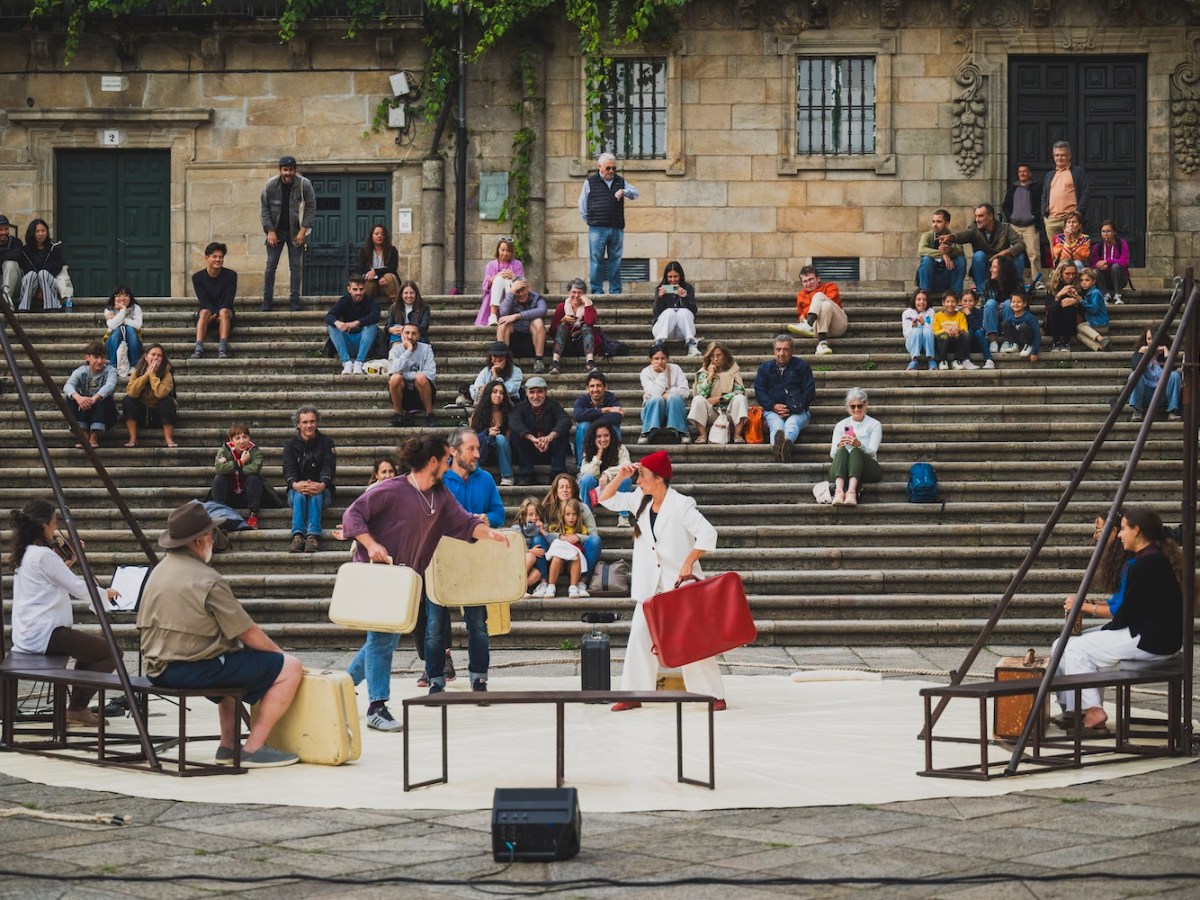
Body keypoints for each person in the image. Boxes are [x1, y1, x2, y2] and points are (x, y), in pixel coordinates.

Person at [343, 434, 510, 717]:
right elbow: (352, 516)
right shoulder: (391, 489)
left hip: (408, 580)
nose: (449, 465)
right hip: (380, 574)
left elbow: (465, 523)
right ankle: (377, 707)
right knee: (382, 640)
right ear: (432, 461)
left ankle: (342, 685)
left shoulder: (441, 496)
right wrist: (371, 544)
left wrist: (490, 534)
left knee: (384, 638)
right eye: (446, 459)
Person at [138, 501, 303, 767]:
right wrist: (280, 656)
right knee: (290, 667)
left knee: (231, 659)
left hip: (157, 668)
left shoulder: (159, 570)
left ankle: (227, 746)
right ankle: (253, 748)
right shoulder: (207, 578)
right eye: (213, 535)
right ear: (201, 540)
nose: (215, 540)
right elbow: (246, 631)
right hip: (189, 667)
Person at [599, 451, 725, 711]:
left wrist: (689, 561)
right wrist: (621, 474)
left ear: (659, 478)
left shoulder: (681, 504)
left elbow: (707, 534)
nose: (638, 481)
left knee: (691, 640)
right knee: (639, 636)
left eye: (642, 475)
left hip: (680, 583)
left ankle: (713, 695)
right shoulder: (639, 500)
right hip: (650, 584)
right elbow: (605, 499)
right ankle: (633, 694)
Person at [1052, 507, 1181, 735]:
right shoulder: (1152, 558)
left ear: (1137, 530)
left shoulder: (1144, 563)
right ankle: (1079, 711)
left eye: (1123, 529)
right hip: (1155, 636)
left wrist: (1089, 609)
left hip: (1149, 639)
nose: (1120, 535)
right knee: (1072, 646)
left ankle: (1092, 712)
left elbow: (1123, 614)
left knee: (1073, 647)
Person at [9, 499, 120, 728]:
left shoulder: (28, 553)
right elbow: (79, 588)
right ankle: (78, 708)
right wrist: (106, 593)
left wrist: (69, 562)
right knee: (112, 652)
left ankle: (78, 707)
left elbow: (51, 580)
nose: (54, 527)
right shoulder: (44, 555)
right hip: (46, 634)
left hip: (32, 633)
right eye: (54, 522)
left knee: (92, 650)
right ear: (43, 525)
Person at [437, 428, 507, 691]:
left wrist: (487, 519)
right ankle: (435, 675)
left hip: (474, 562)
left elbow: (499, 512)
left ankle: (479, 676)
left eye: (478, 448)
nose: (478, 454)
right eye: (472, 449)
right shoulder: (440, 479)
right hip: (443, 559)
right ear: (454, 451)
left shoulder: (486, 479)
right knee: (435, 623)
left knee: (477, 623)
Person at [259, 155, 315, 311]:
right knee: (270, 266)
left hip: (296, 231)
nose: (288, 173)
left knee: (296, 267)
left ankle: (294, 301)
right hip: (275, 231)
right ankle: (267, 300)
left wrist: (303, 231)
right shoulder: (270, 185)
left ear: (295, 170)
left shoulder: (304, 185)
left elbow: (311, 208)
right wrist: (270, 231)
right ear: (280, 170)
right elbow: (264, 209)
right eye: (285, 170)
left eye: (290, 170)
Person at [579, 152, 638, 295]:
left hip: (616, 228)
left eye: (613, 168)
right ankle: (597, 291)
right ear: (599, 167)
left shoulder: (620, 181)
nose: (611, 171)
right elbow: (582, 206)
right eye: (608, 168)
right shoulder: (590, 182)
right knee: (596, 261)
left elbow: (635, 193)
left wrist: (624, 191)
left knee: (615, 261)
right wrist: (591, 221)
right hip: (597, 229)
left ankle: (615, 291)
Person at [282, 404, 336, 553]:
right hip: (296, 492)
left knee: (315, 493)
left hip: (322, 492)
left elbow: (329, 467)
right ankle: (298, 536)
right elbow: (288, 469)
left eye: (312, 421)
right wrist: (295, 484)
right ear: (298, 425)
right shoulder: (290, 445)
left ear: (317, 422)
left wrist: (322, 484)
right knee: (299, 495)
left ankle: (312, 535)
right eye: (305, 422)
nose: (309, 425)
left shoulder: (327, 443)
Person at [754, 334, 814, 463]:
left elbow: (809, 392)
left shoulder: (802, 366)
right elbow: (760, 391)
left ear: (792, 351)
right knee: (777, 427)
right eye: (778, 349)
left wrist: (792, 408)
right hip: (772, 411)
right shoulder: (765, 368)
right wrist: (773, 406)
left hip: (799, 411)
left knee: (792, 425)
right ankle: (783, 449)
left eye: (785, 349)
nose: (781, 353)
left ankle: (780, 448)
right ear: (774, 351)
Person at [942, 203, 1028, 293]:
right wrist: (951, 237)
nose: (977, 219)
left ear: (990, 217)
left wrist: (1006, 252)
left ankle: (1017, 290)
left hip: (1003, 267)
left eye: (981, 216)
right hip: (984, 269)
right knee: (979, 255)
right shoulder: (974, 228)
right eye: (976, 216)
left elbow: (1021, 244)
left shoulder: (1005, 228)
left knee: (1019, 255)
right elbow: (964, 235)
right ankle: (981, 292)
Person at [537, 472, 603, 584]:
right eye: (561, 487)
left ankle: (583, 580)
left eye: (568, 487)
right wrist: (560, 536)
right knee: (537, 540)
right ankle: (543, 581)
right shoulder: (548, 508)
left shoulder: (583, 508)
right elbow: (545, 531)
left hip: (578, 555)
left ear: (573, 490)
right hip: (555, 555)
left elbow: (593, 534)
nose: (565, 490)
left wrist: (578, 537)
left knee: (596, 541)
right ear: (556, 490)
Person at [510, 375, 570, 485]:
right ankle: (527, 474)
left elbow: (565, 420)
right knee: (516, 435)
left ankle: (557, 472)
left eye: (539, 392)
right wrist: (532, 439)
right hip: (529, 451)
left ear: (545, 392)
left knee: (561, 432)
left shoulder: (553, 405)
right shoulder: (520, 407)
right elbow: (514, 422)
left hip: (549, 450)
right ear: (527, 393)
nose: (535, 396)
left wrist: (549, 437)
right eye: (532, 392)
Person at [828, 388, 882, 506]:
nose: (856, 409)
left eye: (859, 406)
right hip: (842, 468)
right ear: (848, 407)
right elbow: (832, 454)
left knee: (855, 452)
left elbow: (872, 451)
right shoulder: (841, 425)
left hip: (868, 467)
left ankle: (851, 492)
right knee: (842, 451)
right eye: (853, 406)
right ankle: (839, 492)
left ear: (865, 405)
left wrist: (859, 445)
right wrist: (839, 446)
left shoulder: (874, 424)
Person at [688, 340, 748, 443]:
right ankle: (703, 435)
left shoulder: (733, 371)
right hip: (711, 413)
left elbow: (739, 391)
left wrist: (720, 399)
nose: (715, 359)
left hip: (729, 412)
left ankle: (737, 435)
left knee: (740, 399)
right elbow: (701, 394)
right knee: (698, 400)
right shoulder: (703, 372)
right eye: (712, 356)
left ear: (725, 355)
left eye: (718, 355)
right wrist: (710, 375)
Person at [578, 421, 634, 527]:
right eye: (599, 436)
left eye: (606, 435)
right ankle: (588, 515)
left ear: (611, 436)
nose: (603, 439)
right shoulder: (589, 450)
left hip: (613, 491)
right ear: (593, 438)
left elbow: (627, 466)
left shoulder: (620, 449)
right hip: (595, 492)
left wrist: (607, 474)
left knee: (625, 479)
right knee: (586, 479)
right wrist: (598, 455)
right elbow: (585, 471)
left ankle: (623, 516)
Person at [122, 343, 177, 448]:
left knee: (168, 401)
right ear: (146, 357)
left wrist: (152, 375)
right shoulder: (137, 372)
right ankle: (132, 439)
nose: (155, 358)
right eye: (153, 354)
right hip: (141, 413)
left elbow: (161, 394)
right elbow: (132, 393)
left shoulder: (166, 373)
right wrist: (146, 375)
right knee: (128, 400)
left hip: (158, 413)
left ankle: (169, 439)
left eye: (159, 356)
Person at [65, 341, 119, 448]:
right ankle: (82, 433)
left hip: (105, 414)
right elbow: (68, 386)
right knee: (70, 397)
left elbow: (110, 385)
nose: (100, 361)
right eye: (96, 357)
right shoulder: (80, 371)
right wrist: (79, 398)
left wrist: (93, 399)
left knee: (103, 397)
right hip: (84, 411)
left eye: (102, 358)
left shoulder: (110, 370)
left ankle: (94, 434)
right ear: (87, 357)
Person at [211, 423, 265, 529]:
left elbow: (255, 468)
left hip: (248, 494)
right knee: (219, 478)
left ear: (249, 438)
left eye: (245, 437)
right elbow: (219, 468)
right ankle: (219, 515)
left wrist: (231, 467)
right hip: (230, 494)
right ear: (231, 440)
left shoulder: (255, 451)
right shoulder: (224, 450)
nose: (242, 441)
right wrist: (240, 462)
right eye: (237, 438)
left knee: (253, 478)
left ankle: (253, 515)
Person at [325, 274, 381, 375]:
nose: (358, 293)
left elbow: (375, 316)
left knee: (371, 326)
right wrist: (337, 323)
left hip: (364, 344)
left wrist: (356, 323)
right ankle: (346, 362)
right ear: (349, 289)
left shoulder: (371, 302)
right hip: (347, 344)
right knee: (332, 327)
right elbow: (329, 316)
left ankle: (359, 362)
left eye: (361, 289)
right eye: (355, 289)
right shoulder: (344, 301)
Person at [191, 242, 237, 360]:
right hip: (208, 314)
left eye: (220, 257)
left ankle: (222, 348)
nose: (218, 260)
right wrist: (213, 315)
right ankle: (199, 347)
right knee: (204, 312)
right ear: (207, 258)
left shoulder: (231, 275)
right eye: (215, 257)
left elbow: (229, 300)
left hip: (226, 314)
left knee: (224, 311)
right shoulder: (197, 277)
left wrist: (218, 314)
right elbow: (204, 300)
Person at [387, 322, 437, 427]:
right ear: (402, 335)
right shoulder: (395, 350)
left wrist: (406, 374)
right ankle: (398, 414)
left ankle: (429, 414)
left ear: (418, 336)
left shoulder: (426, 349)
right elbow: (393, 370)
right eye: (407, 333)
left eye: (414, 334)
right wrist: (408, 351)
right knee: (395, 378)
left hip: (422, 390)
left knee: (421, 377)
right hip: (403, 392)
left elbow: (431, 374)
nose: (410, 337)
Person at [1128, 326, 1183, 422]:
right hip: (1146, 393)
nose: (1151, 342)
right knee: (1133, 375)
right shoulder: (1140, 352)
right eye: (1149, 339)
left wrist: (1166, 351)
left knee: (1174, 375)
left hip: (1163, 394)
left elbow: (1172, 368)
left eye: (1154, 338)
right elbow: (1136, 368)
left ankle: (1173, 412)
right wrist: (1141, 354)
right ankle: (1137, 411)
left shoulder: (1165, 353)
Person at [639, 344, 691, 444]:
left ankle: (682, 432)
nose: (659, 362)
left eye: (663, 358)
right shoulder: (645, 372)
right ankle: (647, 431)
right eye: (656, 358)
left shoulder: (675, 369)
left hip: (674, 411)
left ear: (667, 359)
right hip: (652, 412)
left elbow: (685, 392)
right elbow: (654, 393)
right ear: (651, 360)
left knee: (673, 397)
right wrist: (662, 374)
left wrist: (670, 392)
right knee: (657, 399)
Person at [788, 264, 845, 355]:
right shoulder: (801, 295)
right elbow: (801, 316)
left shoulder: (830, 286)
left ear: (818, 279)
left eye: (811, 279)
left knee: (824, 302)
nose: (808, 283)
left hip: (837, 325)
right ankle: (822, 344)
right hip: (817, 329)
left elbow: (832, 301)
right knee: (823, 305)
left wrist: (810, 311)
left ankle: (808, 325)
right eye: (805, 281)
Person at [1002, 164, 1044, 281]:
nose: (1022, 174)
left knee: (1034, 254)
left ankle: (1037, 280)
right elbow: (1005, 205)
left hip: (1030, 227)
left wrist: (1033, 216)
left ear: (1029, 173)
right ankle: (1013, 279)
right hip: (1014, 227)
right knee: (1012, 254)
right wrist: (1010, 217)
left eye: (1025, 171)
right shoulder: (1012, 188)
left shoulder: (1036, 187)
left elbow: (1041, 204)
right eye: (1020, 172)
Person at [496, 278, 548, 372]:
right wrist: (511, 292)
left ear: (528, 288)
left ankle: (539, 360)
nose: (521, 294)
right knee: (503, 324)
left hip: (532, 341)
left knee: (538, 321)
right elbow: (503, 313)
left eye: (523, 290)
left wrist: (517, 316)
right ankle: (502, 359)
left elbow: (542, 310)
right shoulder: (510, 297)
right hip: (513, 342)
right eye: (517, 291)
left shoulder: (536, 298)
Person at [1041, 140, 1090, 241]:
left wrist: (1078, 212)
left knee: (1073, 250)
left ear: (1069, 156)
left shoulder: (1078, 172)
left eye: (1063, 155)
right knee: (1055, 253)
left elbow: (1085, 192)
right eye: (1057, 155)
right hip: (1052, 220)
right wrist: (1044, 216)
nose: (1059, 158)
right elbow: (1045, 196)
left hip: (1070, 219)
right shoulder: (1049, 175)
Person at [572, 369, 624, 463]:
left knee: (614, 427)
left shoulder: (611, 398)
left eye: (599, 385)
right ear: (587, 388)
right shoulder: (582, 400)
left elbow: (617, 417)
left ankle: (614, 462)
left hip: (605, 436)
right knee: (583, 426)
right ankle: (582, 466)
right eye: (592, 386)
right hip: (589, 438)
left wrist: (590, 416)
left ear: (605, 387)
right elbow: (577, 415)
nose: (595, 389)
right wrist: (605, 410)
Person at [549, 278, 598, 375]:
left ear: (584, 294)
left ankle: (590, 362)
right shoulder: (561, 307)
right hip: (566, 345)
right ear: (568, 292)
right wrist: (562, 321)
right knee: (562, 327)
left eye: (579, 293)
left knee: (586, 327)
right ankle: (555, 362)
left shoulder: (589, 307)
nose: (576, 295)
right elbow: (551, 332)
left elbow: (590, 322)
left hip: (583, 344)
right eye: (573, 292)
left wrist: (587, 303)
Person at [470, 379, 515, 486]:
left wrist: (499, 436)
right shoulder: (478, 413)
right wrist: (488, 432)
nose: (498, 395)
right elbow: (472, 437)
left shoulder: (508, 413)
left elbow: (509, 439)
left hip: (502, 452)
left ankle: (507, 476)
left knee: (500, 439)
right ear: (488, 393)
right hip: (483, 450)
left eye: (501, 392)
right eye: (494, 392)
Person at [543, 499, 590, 598]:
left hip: (572, 564)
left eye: (574, 514)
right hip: (558, 564)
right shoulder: (555, 528)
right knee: (557, 557)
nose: (571, 517)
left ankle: (573, 587)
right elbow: (548, 536)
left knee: (576, 556)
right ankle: (551, 586)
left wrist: (578, 537)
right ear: (562, 515)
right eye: (567, 514)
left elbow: (588, 540)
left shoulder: (581, 529)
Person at [16, 218, 65, 311]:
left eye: (43, 231)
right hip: (30, 285)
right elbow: (25, 269)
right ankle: (24, 307)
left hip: (49, 283)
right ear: (32, 233)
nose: (41, 234)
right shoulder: (25, 250)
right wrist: (38, 288)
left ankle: (51, 306)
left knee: (43, 273)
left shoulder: (53, 248)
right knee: (31, 275)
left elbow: (57, 267)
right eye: (37, 231)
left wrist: (42, 287)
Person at [652, 261, 700, 355]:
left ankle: (691, 344)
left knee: (684, 312)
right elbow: (655, 313)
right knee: (670, 312)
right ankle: (659, 344)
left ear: (680, 276)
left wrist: (684, 297)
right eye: (670, 277)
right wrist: (659, 298)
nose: (673, 280)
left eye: (675, 276)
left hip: (682, 330)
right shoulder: (661, 289)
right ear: (666, 277)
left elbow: (693, 312)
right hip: (663, 329)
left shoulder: (687, 288)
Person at [476, 237, 526, 327]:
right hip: (494, 296)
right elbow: (485, 286)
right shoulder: (491, 265)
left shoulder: (517, 264)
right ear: (498, 250)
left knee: (507, 279)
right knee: (499, 279)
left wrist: (514, 277)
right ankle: (493, 315)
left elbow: (523, 285)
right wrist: (496, 276)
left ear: (512, 252)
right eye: (502, 250)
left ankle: (508, 312)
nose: (505, 253)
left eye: (508, 251)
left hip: (512, 296)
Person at [915, 209, 966, 294]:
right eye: (933, 221)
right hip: (930, 279)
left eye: (939, 222)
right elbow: (921, 250)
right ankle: (924, 295)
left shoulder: (953, 236)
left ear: (946, 223)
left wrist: (949, 250)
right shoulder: (927, 236)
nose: (935, 225)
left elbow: (960, 251)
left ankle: (956, 295)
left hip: (947, 276)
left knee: (960, 260)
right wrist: (943, 255)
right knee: (927, 260)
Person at [980, 255, 1022, 354]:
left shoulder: (1017, 285)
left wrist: (1012, 307)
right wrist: (996, 310)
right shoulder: (987, 285)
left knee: (1008, 303)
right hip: (991, 323)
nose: (991, 269)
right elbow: (983, 308)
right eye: (991, 266)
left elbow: (1024, 308)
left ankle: (1007, 340)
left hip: (1012, 323)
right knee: (990, 303)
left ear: (1003, 269)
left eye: (994, 267)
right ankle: (993, 341)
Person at [465, 340, 523, 406]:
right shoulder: (486, 371)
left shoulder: (516, 371)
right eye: (495, 356)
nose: (498, 359)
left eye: (501, 356)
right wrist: (481, 389)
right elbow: (474, 391)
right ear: (491, 357)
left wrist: (495, 374)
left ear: (506, 357)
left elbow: (510, 390)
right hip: (488, 403)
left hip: (508, 404)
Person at [513, 498, 550, 596]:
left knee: (537, 574)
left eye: (537, 514)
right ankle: (514, 584)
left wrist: (543, 531)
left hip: (534, 565)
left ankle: (519, 590)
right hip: (517, 562)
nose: (534, 517)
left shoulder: (543, 527)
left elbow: (553, 543)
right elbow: (513, 547)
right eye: (530, 514)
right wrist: (529, 551)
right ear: (524, 516)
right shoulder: (517, 528)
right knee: (530, 556)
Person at [103, 285, 143, 373]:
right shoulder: (109, 309)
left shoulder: (136, 308)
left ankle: (133, 365)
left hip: (134, 344)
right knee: (117, 330)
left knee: (130, 329)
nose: (122, 298)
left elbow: (138, 325)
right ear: (114, 297)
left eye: (126, 295)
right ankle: (113, 366)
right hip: (112, 344)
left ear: (130, 297)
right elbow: (112, 325)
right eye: (118, 295)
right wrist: (123, 311)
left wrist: (121, 315)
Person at [1089, 220, 1130, 304]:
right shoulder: (1098, 247)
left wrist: (1107, 261)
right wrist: (1098, 266)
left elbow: (1124, 262)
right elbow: (1092, 265)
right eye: (1103, 231)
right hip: (1104, 280)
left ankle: (1117, 296)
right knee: (1095, 271)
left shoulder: (1121, 244)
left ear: (1114, 232)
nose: (1106, 234)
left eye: (1109, 231)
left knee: (1115, 266)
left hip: (1119, 279)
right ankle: (1105, 296)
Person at [1045, 263, 1083, 352]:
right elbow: (1048, 307)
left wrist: (1077, 300)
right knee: (1056, 305)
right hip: (1053, 323)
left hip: (1071, 323)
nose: (1071, 276)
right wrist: (1059, 295)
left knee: (1068, 305)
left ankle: (1066, 342)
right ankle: (1056, 342)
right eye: (1067, 273)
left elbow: (1085, 309)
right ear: (1061, 273)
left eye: (1073, 274)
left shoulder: (1080, 285)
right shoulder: (1052, 287)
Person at [359, 223, 400, 304]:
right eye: (376, 234)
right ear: (371, 236)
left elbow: (392, 268)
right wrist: (378, 277)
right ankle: (364, 307)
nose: (379, 236)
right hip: (372, 286)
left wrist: (375, 272)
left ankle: (397, 305)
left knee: (389, 277)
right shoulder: (364, 251)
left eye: (382, 234)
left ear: (385, 237)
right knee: (369, 281)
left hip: (386, 285)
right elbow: (362, 269)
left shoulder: (392, 250)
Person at [932, 291, 970, 371]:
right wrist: (945, 330)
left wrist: (957, 330)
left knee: (965, 335)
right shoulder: (937, 316)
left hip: (955, 340)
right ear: (943, 303)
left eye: (953, 302)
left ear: (957, 303)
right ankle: (943, 360)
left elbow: (965, 329)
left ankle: (957, 360)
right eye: (947, 301)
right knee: (944, 336)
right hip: (942, 341)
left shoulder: (960, 315)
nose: (950, 304)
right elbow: (935, 331)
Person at [999, 290, 1041, 362]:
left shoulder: (1029, 318)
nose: (1016, 304)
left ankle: (1027, 346)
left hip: (1029, 339)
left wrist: (1034, 352)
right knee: (1004, 323)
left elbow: (1037, 335)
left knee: (1023, 326)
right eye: (1013, 302)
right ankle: (1014, 344)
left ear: (1024, 304)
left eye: (1019, 302)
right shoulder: (1011, 317)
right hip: (1018, 337)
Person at [385, 280, 431, 345]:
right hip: (399, 338)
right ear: (401, 294)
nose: (409, 296)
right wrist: (391, 329)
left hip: (418, 339)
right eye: (406, 293)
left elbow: (424, 327)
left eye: (412, 293)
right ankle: (395, 350)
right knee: (396, 326)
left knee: (409, 331)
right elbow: (387, 326)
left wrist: (406, 330)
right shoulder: (393, 308)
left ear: (416, 294)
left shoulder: (424, 308)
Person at [1076, 268, 1111, 351]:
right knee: (1078, 335)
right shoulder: (1087, 293)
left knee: (1080, 326)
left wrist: (1081, 301)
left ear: (1093, 281)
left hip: (1100, 324)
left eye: (1087, 280)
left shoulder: (1095, 293)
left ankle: (1101, 339)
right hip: (1093, 323)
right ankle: (1099, 347)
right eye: (1082, 280)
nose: (1084, 282)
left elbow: (1094, 310)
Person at [959, 289, 994, 369]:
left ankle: (989, 359)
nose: (967, 303)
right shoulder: (958, 314)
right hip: (964, 344)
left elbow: (977, 326)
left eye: (970, 301)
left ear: (975, 302)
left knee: (977, 332)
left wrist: (969, 314)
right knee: (969, 331)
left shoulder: (979, 313)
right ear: (960, 302)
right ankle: (966, 360)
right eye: (965, 301)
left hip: (979, 342)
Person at [902, 289, 936, 372]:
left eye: (924, 300)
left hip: (927, 345)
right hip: (912, 344)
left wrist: (924, 323)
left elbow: (934, 331)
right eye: (919, 299)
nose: (922, 302)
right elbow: (906, 334)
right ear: (914, 300)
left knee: (927, 331)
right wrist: (913, 327)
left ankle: (930, 358)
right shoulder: (907, 313)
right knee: (916, 331)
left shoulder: (931, 312)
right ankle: (914, 359)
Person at [0, 214, 21, 305]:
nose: (4, 232)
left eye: (6, 229)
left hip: (15, 284)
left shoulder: (16, 242)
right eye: (0, 230)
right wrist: (6, 253)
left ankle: (6, 299)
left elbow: (16, 255)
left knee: (10, 264)